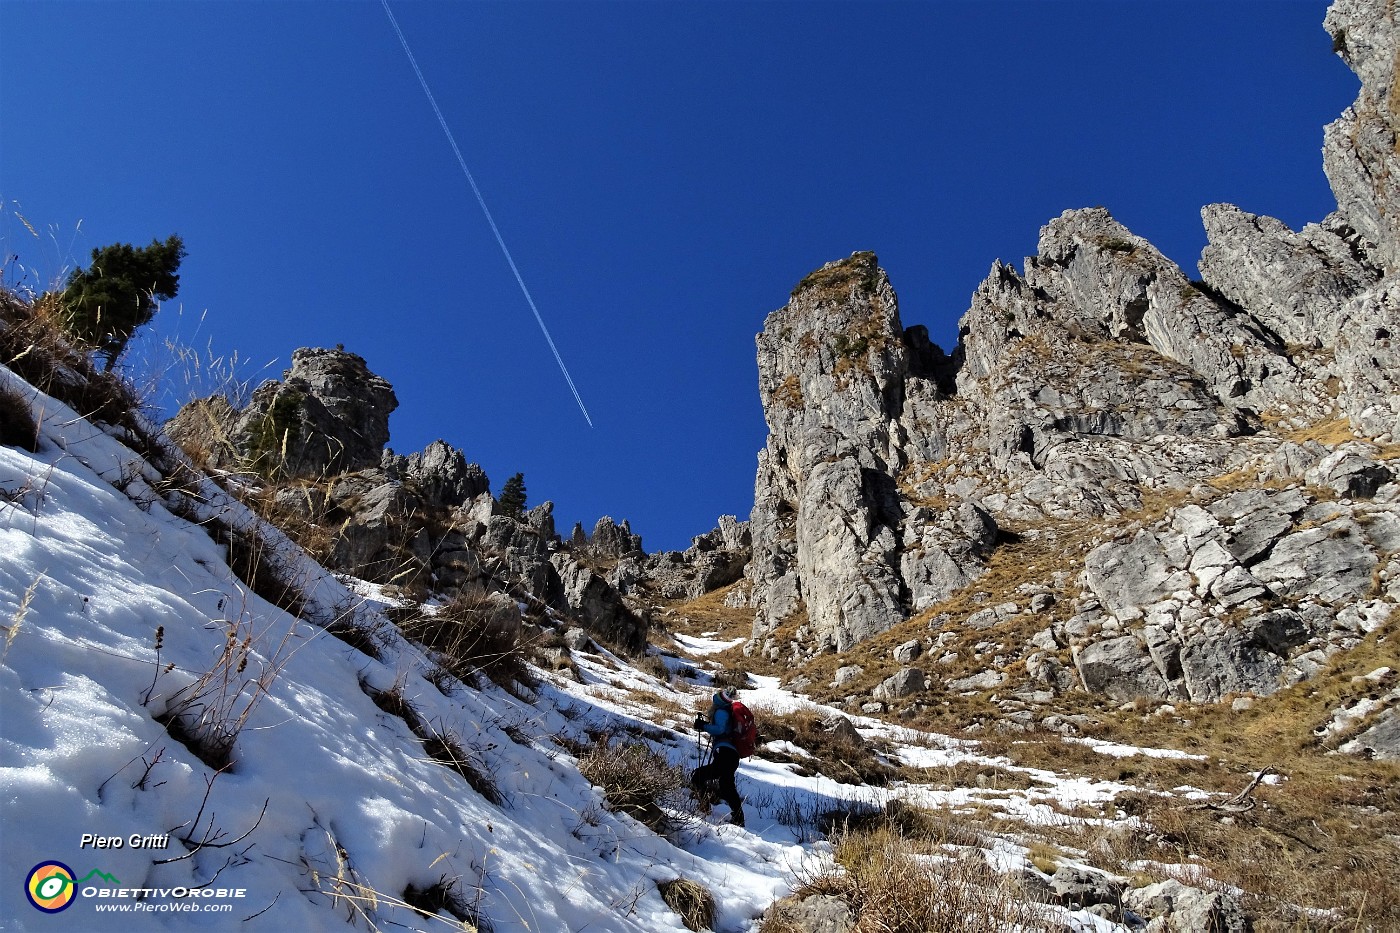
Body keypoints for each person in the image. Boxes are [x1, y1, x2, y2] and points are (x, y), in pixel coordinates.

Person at [692, 686, 746, 827]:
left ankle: (704, 808)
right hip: (732, 754)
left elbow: (720, 729)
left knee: (698, 776)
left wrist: (704, 726)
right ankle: (739, 818)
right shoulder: (728, 712)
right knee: (726, 786)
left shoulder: (721, 711)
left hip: (724, 753)